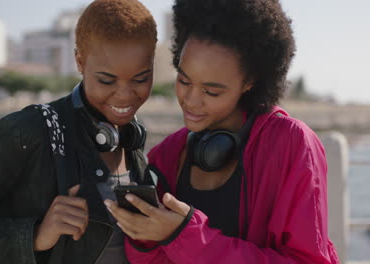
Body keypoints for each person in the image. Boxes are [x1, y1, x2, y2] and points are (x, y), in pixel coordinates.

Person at [104, 0, 340, 263]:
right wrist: (145, 236)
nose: (191, 100)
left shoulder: (291, 144)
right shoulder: (168, 154)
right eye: (183, 80)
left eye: (212, 91)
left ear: (250, 81)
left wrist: (186, 236)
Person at [0, 0, 157, 263]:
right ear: (79, 61)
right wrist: (34, 236)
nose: (125, 96)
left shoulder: (132, 137)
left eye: (141, 79)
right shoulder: (26, 130)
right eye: (106, 80)